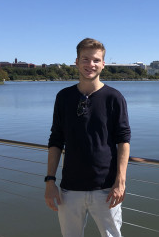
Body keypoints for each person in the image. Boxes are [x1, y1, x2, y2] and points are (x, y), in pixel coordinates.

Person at [44, 38, 131, 237]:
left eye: (95, 60)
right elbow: (56, 140)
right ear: (76, 61)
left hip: (106, 189)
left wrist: (120, 181)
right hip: (69, 189)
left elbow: (123, 140)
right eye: (85, 59)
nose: (90, 65)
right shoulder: (64, 97)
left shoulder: (114, 98)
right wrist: (50, 181)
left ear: (103, 64)